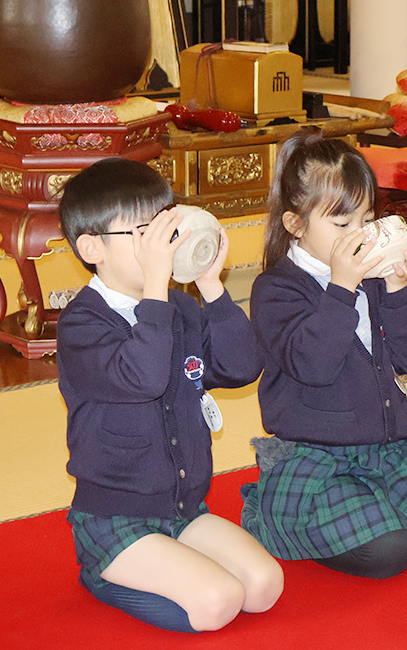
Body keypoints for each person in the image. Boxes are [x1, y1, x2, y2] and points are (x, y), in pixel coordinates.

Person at [57, 158, 282, 633]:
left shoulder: (179, 306)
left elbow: (241, 368)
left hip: (182, 507)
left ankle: (173, 560)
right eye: (143, 232)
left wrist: (210, 286)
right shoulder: (82, 324)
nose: (163, 242)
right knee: (217, 603)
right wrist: (157, 287)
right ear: (92, 247)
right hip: (115, 515)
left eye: (166, 226)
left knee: (263, 587)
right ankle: (100, 572)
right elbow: (144, 377)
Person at [241, 130, 407, 579]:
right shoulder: (276, 289)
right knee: (392, 551)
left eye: (366, 219)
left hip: (388, 450)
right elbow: (313, 364)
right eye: (341, 224)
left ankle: (372, 506)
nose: (359, 234)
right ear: (295, 224)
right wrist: (341, 288)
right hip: (316, 456)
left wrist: (401, 286)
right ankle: (272, 515)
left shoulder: (373, 275)